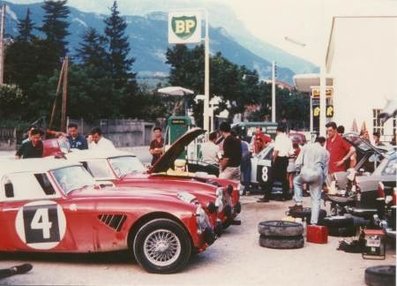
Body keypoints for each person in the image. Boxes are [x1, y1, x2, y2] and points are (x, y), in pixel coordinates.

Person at [289, 136, 329, 225]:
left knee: (296, 181)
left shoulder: (306, 147)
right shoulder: (325, 152)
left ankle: (298, 202)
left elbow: (298, 162)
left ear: (314, 141)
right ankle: (314, 223)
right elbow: (325, 170)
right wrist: (323, 182)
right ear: (323, 143)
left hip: (305, 173)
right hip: (317, 174)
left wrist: (298, 171)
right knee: (316, 200)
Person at [258, 123, 292, 202]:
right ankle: (285, 195)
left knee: (271, 178)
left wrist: (273, 160)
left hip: (279, 159)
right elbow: (291, 152)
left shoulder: (278, 138)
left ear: (277, 130)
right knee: (284, 178)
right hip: (285, 159)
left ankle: (267, 196)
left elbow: (276, 150)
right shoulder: (288, 139)